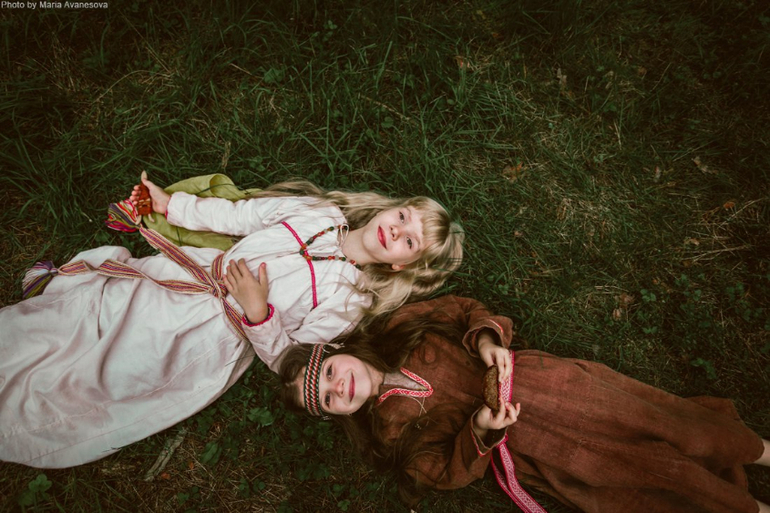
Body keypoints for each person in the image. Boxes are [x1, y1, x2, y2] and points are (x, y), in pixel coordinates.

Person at [0, 175, 463, 468]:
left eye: (409, 242)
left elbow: (290, 359)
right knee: (100, 310)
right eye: (404, 217)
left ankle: (29, 411)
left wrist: (258, 313)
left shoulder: (349, 302)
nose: (398, 230)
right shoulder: (319, 214)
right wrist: (171, 206)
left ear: (401, 265)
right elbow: (239, 216)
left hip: (212, 336)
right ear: (389, 207)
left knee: (117, 368)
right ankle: (38, 322)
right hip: (191, 276)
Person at [280, 295, 770, 513]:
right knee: (640, 475)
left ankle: (758, 450)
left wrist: (487, 341)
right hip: (535, 445)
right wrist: (480, 428)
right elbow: (445, 472)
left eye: (329, 373)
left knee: (662, 421)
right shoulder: (389, 433)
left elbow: (464, 309)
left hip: (551, 385)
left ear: (337, 350)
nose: (339, 388)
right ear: (336, 416)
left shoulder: (399, 328)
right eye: (328, 400)